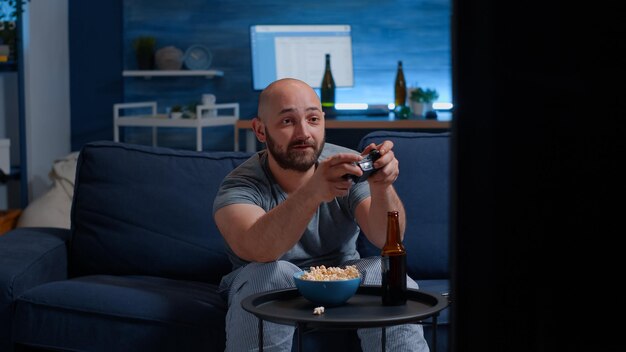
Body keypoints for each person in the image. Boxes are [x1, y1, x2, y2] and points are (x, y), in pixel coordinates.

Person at [213, 78, 429, 352]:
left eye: (313, 119)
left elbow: (384, 238)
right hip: (270, 283)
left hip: (342, 281)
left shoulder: (346, 164)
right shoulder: (240, 184)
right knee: (271, 272)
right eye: (287, 122)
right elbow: (259, 250)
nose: (304, 133)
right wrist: (313, 192)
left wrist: (382, 185)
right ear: (260, 130)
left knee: (382, 270)